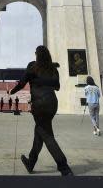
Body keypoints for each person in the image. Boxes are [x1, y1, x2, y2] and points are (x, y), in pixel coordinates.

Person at [9, 45, 73, 176]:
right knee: (40, 131)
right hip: (52, 104)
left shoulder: (32, 66)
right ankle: (31, 162)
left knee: (46, 135)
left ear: (37, 55)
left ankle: (64, 166)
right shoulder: (53, 68)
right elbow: (57, 86)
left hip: (39, 105)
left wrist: (12, 91)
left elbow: (22, 83)